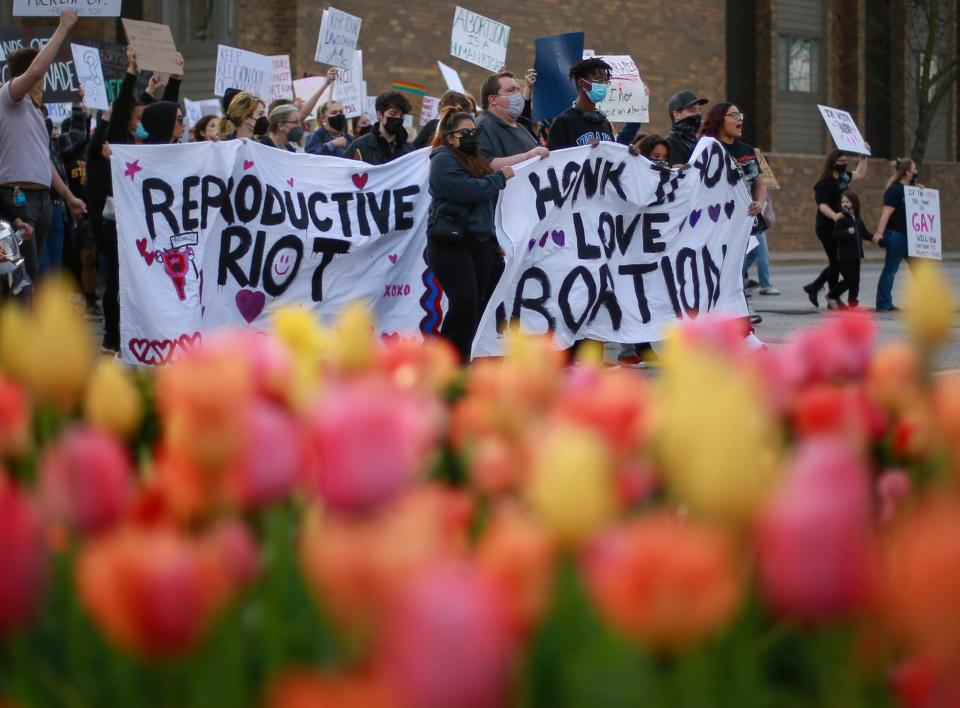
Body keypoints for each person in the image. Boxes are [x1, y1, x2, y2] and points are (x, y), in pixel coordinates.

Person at [0, 9, 86, 296]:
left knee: (35, 279)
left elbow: (44, 161)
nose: (44, 80)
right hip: (15, 202)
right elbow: (36, 70)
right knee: (18, 278)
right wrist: (63, 28)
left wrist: (68, 196)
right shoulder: (8, 96)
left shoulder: (36, 112)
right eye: (43, 75)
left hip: (43, 200)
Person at [425, 108, 514, 363]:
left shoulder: (475, 159)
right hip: (451, 243)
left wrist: (494, 240)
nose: (471, 136)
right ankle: (445, 362)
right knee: (464, 303)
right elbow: (466, 191)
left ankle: (461, 362)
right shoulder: (442, 158)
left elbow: (487, 205)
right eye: (465, 132)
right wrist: (498, 178)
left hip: (480, 242)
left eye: (473, 132)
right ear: (450, 136)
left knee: (475, 307)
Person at [700, 102, 768, 350]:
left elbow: (760, 183)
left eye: (741, 114)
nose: (740, 119)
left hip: (742, 228)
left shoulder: (747, 150)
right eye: (734, 115)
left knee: (734, 280)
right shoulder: (707, 148)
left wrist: (759, 203)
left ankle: (740, 333)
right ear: (720, 119)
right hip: (714, 229)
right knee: (719, 280)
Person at [619, 134, 670, 367]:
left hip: (648, 246)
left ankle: (643, 343)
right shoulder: (631, 174)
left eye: (664, 158)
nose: (659, 161)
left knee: (645, 294)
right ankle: (629, 346)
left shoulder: (665, 179)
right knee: (628, 293)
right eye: (655, 156)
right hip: (627, 245)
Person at [804, 148, 869, 308]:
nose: (844, 165)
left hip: (838, 226)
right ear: (833, 163)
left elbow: (860, 174)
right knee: (837, 262)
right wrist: (835, 216)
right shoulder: (824, 183)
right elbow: (822, 206)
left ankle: (820, 290)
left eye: (846, 162)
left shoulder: (843, 178)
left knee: (835, 263)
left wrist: (864, 156)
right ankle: (827, 294)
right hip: (826, 227)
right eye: (841, 162)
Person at [476, 71, 548, 169]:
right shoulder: (481, 127)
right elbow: (484, 165)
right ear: (493, 100)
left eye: (518, 90)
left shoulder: (521, 125)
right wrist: (527, 157)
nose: (517, 94)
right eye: (511, 90)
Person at [873, 157, 918, 312]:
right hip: (896, 235)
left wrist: (921, 193)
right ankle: (883, 302)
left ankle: (929, 300)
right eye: (914, 169)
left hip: (912, 236)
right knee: (891, 269)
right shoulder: (895, 190)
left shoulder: (912, 190)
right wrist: (879, 233)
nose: (916, 172)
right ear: (907, 172)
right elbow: (886, 213)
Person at [547, 58, 615, 149]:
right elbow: (555, 159)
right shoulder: (564, 122)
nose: (603, 86)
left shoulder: (604, 122)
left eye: (605, 82)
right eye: (598, 81)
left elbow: (613, 158)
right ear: (581, 82)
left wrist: (629, 154)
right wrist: (584, 149)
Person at [831, 191, 872, 309]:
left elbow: (864, 232)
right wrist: (846, 232)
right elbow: (835, 234)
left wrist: (876, 239)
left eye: (847, 202)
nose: (844, 204)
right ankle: (832, 295)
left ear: (854, 203)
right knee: (850, 279)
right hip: (844, 255)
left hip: (856, 254)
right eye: (843, 202)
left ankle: (853, 303)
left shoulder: (857, 218)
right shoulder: (841, 217)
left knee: (856, 281)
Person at [348, 90, 413, 165]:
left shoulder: (409, 150)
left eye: (401, 115)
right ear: (379, 115)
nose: (398, 118)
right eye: (393, 114)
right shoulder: (359, 147)